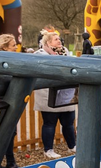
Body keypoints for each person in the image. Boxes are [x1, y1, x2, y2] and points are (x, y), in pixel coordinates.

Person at [33, 30, 77, 159]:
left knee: (68, 122)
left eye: (59, 39)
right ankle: (48, 149)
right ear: (48, 42)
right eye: (56, 39)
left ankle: (72, 146)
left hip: (66, 93)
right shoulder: (40, 55)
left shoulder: (66, 53)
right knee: (49, 123)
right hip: (48, 94)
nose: (59, 41)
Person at [0, 33, 21, 168]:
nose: (16, 47)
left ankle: (8, 161)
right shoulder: (1, 61)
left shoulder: (10, 59)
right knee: (6, 132)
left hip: (11, 98)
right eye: (13, 45)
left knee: (10, 132)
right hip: (3, 100)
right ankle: (6, 161)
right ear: (4, 48)